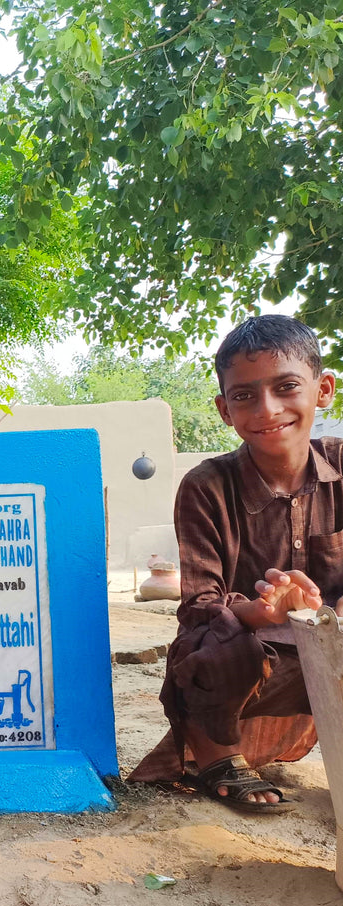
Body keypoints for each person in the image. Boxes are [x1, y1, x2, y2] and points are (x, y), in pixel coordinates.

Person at [129, 314, 343, 813]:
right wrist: (266, 612)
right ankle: (218, 755)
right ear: (224, 410)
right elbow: (201, 606)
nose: (267, 409)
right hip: (251, 659)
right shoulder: (206, 487)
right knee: (213, 636)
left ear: (323, 389)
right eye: (244, 395)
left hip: (333, 648)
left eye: (287, 386)